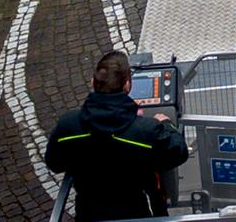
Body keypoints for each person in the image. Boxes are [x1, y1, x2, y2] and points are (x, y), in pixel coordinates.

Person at [45, 51, 188, 222]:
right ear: (127, 85)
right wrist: (165, 125)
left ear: (93, 82)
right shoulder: (146, 131)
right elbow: (179, 151)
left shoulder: (67, 126)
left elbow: (55, 163)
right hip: (136, 214)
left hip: (88, 214)